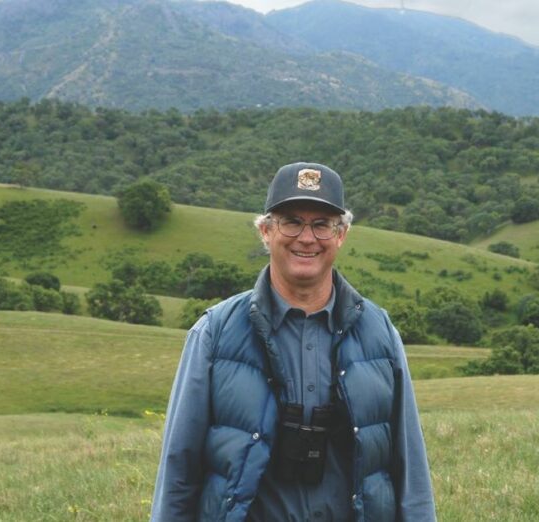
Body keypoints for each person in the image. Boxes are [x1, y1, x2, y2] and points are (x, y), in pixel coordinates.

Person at [150, 162, 436, 521]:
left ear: (342, 235)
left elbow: (411, 471)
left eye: (321, 224)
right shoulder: (214, 333)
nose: (306, 237)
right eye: (291, 221)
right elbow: (179, 470)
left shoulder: (381, 333)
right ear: (266, 231)